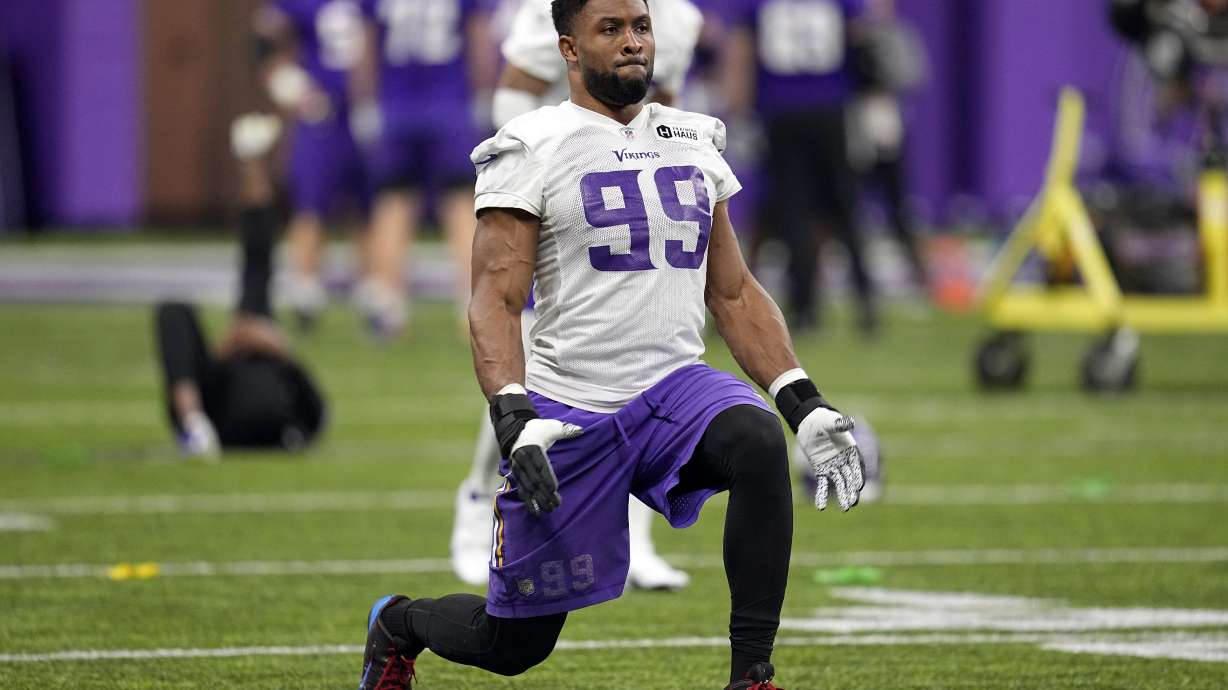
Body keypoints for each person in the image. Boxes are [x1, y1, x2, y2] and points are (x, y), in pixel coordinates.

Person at [356, 0, 864, 687]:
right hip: (573, 410)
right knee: (512, 647)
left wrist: (802, 402)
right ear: (568, 49)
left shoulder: (691, 137)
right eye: (611, 29)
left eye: (641, 27)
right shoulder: (531, 143)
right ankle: (399, 623)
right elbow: (496, 299)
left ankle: (753, 676)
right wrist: (514, 415)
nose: (633, 42)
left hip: (674, 392)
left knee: (757, 438)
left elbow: (735, 292)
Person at [448, 0, 704, 592]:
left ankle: (636, 535)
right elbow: (512, 95)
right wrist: (553, 158)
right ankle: (477, 499)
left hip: (638, 208)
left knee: (654, 363)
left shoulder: (680, 19)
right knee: (536, 362)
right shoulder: (560, 8)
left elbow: (657, 110)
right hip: (563, 205)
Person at [154, 115, 326, 459]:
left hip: (247, 411)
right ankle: (193, 427)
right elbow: (319, 415)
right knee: (179, 309)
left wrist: (266, 349)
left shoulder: (271, 371)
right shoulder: (264, 349)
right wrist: (274, 348)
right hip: (225, 405)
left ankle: (193, 426)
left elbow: (319, 416)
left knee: (248, 281)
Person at [724, 0, 878, 334]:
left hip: (781, 112)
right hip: (830, 109)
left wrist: (738, 109)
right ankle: (866, 303)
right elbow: (862, 39)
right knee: (845, 208)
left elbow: (742, 52)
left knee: (795, 212)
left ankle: (806, 308)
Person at [351, 0, 499, 337]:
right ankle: (472, 306)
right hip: (450, 108)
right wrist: (483, 95)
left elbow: (365, 43)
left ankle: (388, 305)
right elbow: (480, 40)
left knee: (394, 203)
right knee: (461, 204)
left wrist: (364, 103)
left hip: (396, 108)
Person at [253, 0, 371, 330]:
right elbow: (264, 39)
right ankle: (304, 289)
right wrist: (287, 83)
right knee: (312, 202)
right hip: (324, 112)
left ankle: (375, 292)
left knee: (370, 206)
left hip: (369, 107)